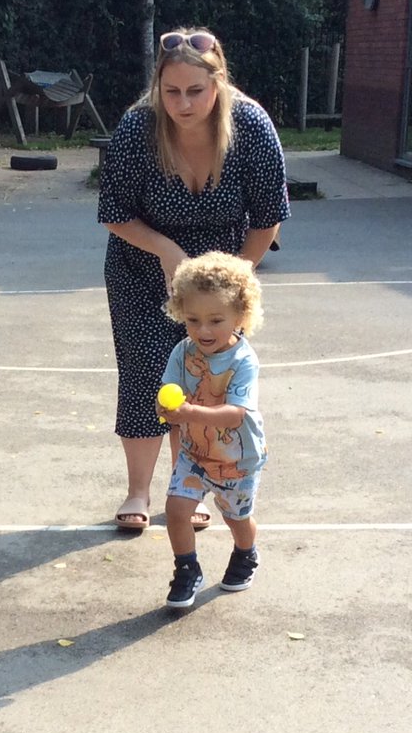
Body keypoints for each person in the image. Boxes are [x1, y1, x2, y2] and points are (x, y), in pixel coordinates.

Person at [97, 26, 288, 533]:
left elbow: (268, 218)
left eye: (196, 92)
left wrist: (234, 281)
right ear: (158, 87)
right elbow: (114, 211)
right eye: (172, 91)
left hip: (224, 272)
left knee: (206, 378)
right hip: (143, 264)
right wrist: (168, 252)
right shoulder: (138, 128)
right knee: (144, 376)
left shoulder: (250, 126)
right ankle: (138, 488)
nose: (183, 104)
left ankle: (191, 484)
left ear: (219, 85)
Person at [157, 252, 268, 609]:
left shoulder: (243, 361)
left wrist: (189, 411)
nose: (203, 330)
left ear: (241, 316)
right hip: (195, 454)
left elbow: (235, 415)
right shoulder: (182, 351)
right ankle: (187, 569)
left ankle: (246, 552)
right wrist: (166, 409)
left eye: (216, 320)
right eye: (193, 319)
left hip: (237, 459)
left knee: (237, 518)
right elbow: (168, 393)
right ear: (180, 313)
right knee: (176, 509)